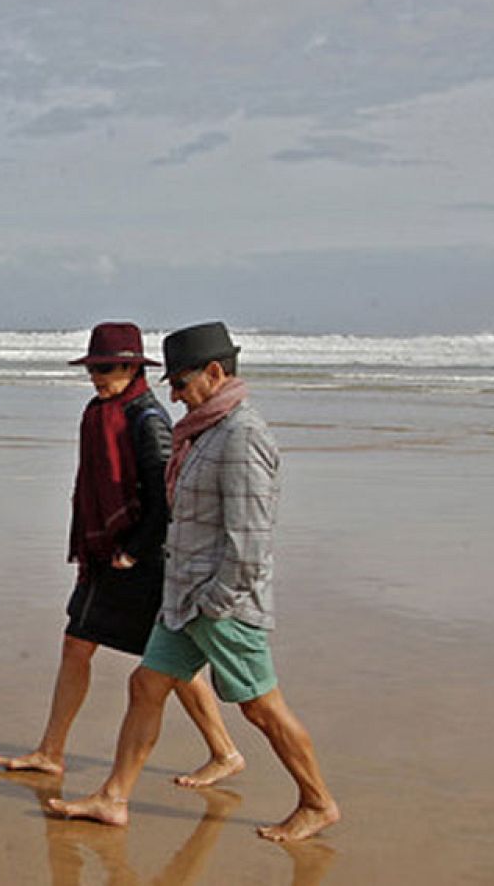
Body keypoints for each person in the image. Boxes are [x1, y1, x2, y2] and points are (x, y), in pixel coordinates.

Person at [46, 321, 341, 844]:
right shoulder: (206, 431)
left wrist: (215, 603)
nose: (175, 396)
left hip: (220, 604)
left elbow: (250, 541)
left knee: (260, 708)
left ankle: (318, 802)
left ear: (214, 373)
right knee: (145, 685)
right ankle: (114, 798)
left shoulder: (242, 436)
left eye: (181, 384)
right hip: (184, 599)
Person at [0, 322, 245, 788]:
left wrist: (132, 551)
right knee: (81, 644)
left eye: (106, 369)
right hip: (106, 557)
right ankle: (51, 751)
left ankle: (225, 751)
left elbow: (165, 497)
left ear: (132, 368)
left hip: (142, 561)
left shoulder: (147, 419)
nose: (97, 378)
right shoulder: (100, 413)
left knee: (168, 661)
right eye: (92, 369)